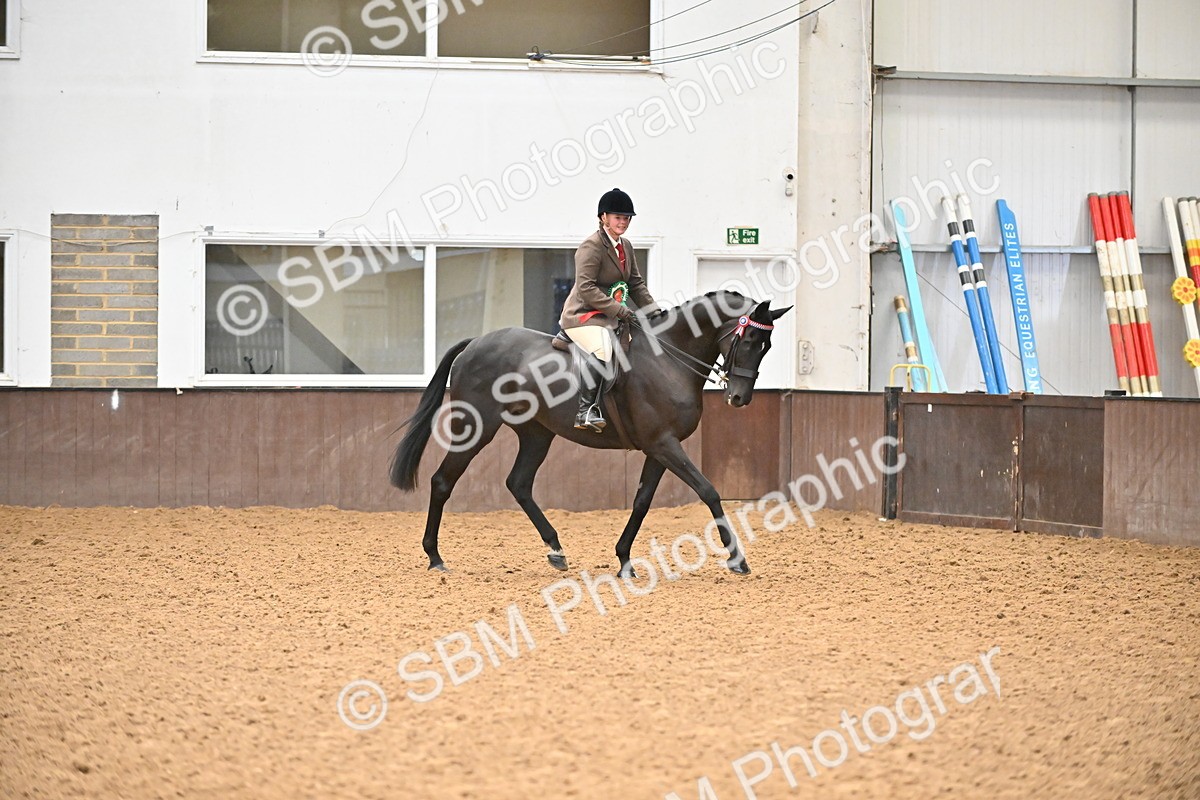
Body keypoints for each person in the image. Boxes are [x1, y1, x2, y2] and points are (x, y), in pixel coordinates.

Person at [559, 188, 658, 433]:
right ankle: (585, 410)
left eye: (626, 218)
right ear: (604, 217)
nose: (623, 222)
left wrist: (655, 312)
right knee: (604, 345)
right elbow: (586, 288)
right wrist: (621, 311)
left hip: (608, 315)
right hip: (583, 315)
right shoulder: (591, 247)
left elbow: (635, 283)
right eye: (618, 217)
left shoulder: (626, 246)